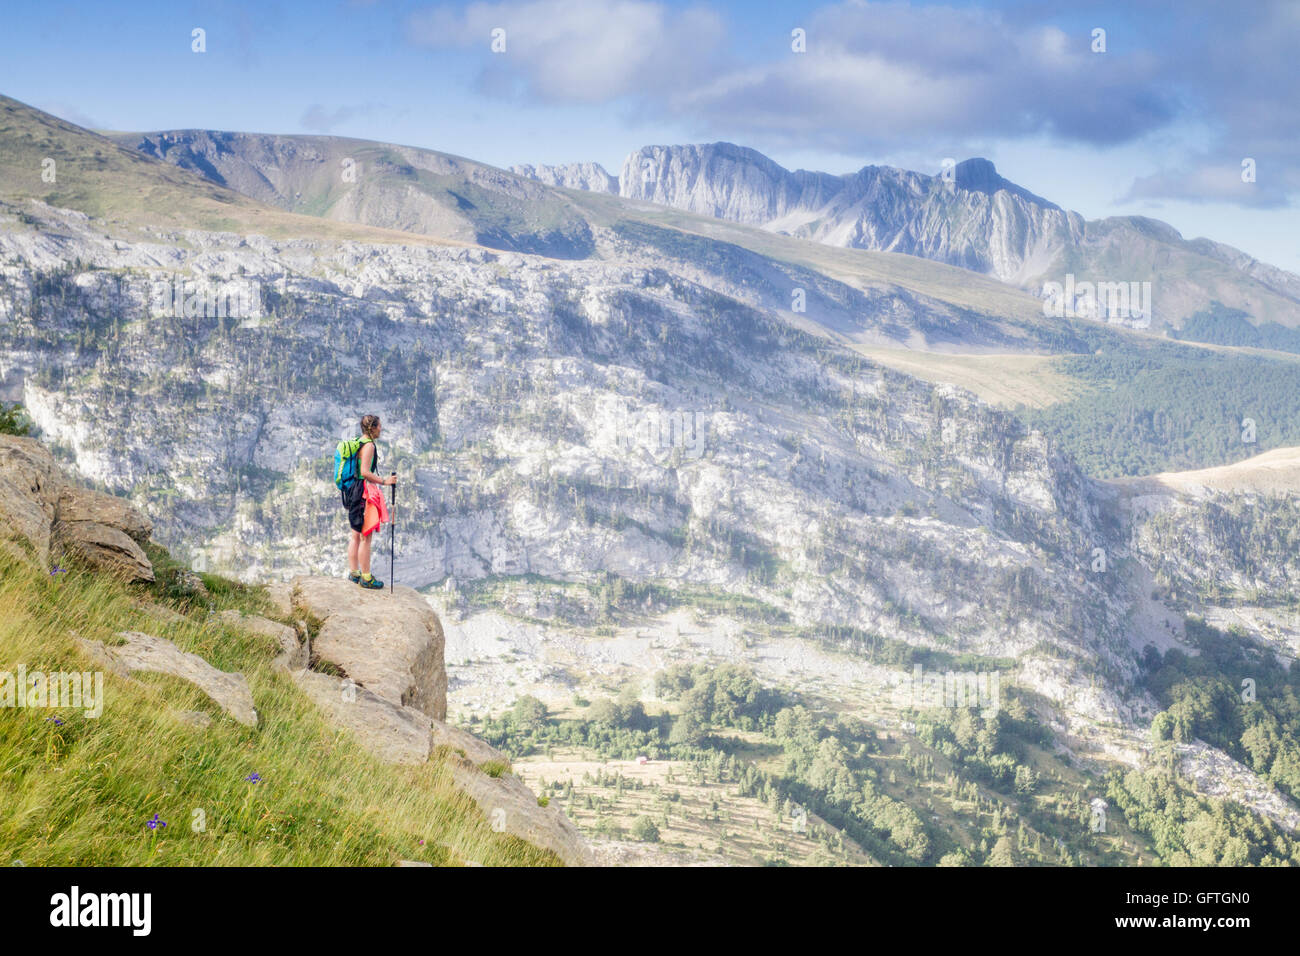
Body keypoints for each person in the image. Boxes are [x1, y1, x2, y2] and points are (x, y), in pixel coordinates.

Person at [343, 414, 397, 589]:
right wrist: (384, 481)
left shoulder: (358, 442)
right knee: (366, 536)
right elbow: (365, 472)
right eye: (379, 426)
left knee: (355, 535)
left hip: (353, 491)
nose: (381, 429)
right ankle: (366, 577)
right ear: (372, 428)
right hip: (362, 493)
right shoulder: (369, 447)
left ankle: (354, 573)